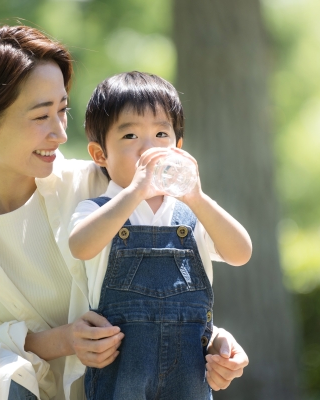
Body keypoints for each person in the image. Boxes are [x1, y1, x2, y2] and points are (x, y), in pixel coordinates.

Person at [0, 25, 248, 400]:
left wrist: (212, 340)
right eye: (40, 116)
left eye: (62, 110)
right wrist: (62, 340)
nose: (61, 134)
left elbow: (170, 287)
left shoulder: (103, 185)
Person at [68, 72, 253, 399]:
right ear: (100, 155)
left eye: (161, 133)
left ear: (178, 148)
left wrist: (196, 197)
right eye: (130, 137)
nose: (148, 148)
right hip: (120, 374)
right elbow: (81, 246)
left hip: (190, 375)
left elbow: (240, 253)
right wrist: (137, 190)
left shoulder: (193, 212)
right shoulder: (99, 210)